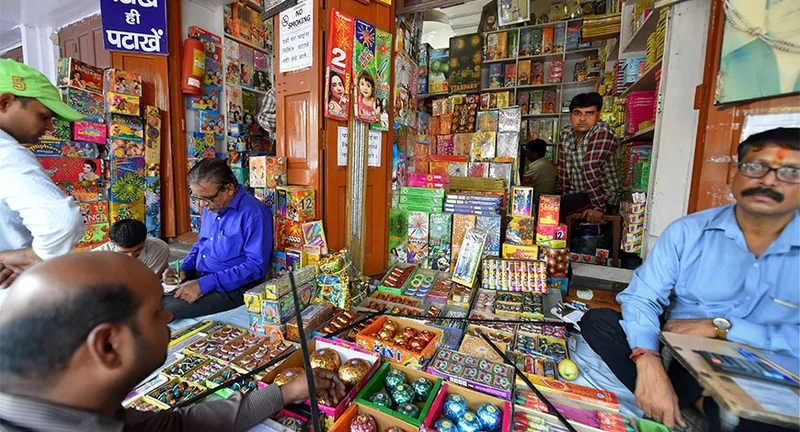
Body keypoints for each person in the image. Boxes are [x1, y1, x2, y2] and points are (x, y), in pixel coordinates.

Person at [579, 128, 800, 431]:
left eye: (790, 172)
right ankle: (698, 404)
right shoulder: (688, 232)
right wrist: (647, 361)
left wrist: (723, 329)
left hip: (769, 372)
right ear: (735, 174)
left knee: (764, 420)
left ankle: (694, 407)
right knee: (598, 322)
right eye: (755, 167)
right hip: (683, 360)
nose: (769, 181)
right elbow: (641, 297)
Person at [0, 252, 346, 431]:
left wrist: (287, 392)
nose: (169, 316)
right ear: (108, 346)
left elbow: (181, 425)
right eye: (156, 311)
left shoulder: (88, 413)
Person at [0, 59, 85, 289]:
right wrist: (35, 256)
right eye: (44, 116)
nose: (49, 127)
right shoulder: (6, 153)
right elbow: (60, 222)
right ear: (5, 102)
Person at [162, 158, 273, 319]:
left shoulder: (253, 213)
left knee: (160, 310)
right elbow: (201, 244)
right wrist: (184, 269)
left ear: (229, 189)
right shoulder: (212, 206)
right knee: (146, 297)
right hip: (201, 277)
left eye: (207, 198)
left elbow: (255, 267)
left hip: (232, 288)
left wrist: (205, 284)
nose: (202, 204)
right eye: (197, 198)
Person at [556, 92, 623, 223]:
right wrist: (564, 195)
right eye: (577, 113)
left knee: (560, 209)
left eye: (589, 113)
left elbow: (591, 167)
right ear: (570, 116)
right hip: (579, 196)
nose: (582, 118)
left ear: (598, 115)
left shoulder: (602, 132)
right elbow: (563, 170)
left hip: (604, 197)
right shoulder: (566, 134)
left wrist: (599, 207)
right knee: (552, 207)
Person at [94, 219, 171, 275]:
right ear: (111, 242)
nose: (131, 256)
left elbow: (147, 282)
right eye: (124, 252)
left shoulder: (159, 248)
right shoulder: (96, 257)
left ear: (145, 240)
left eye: (137, 250)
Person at [522, 139, 557, 205]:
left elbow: (523, 185)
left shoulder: (537, 166)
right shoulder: (546, 163)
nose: (526, 154)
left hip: (540, 202)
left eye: (528, 152)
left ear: (535, 154)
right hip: (547, 200)